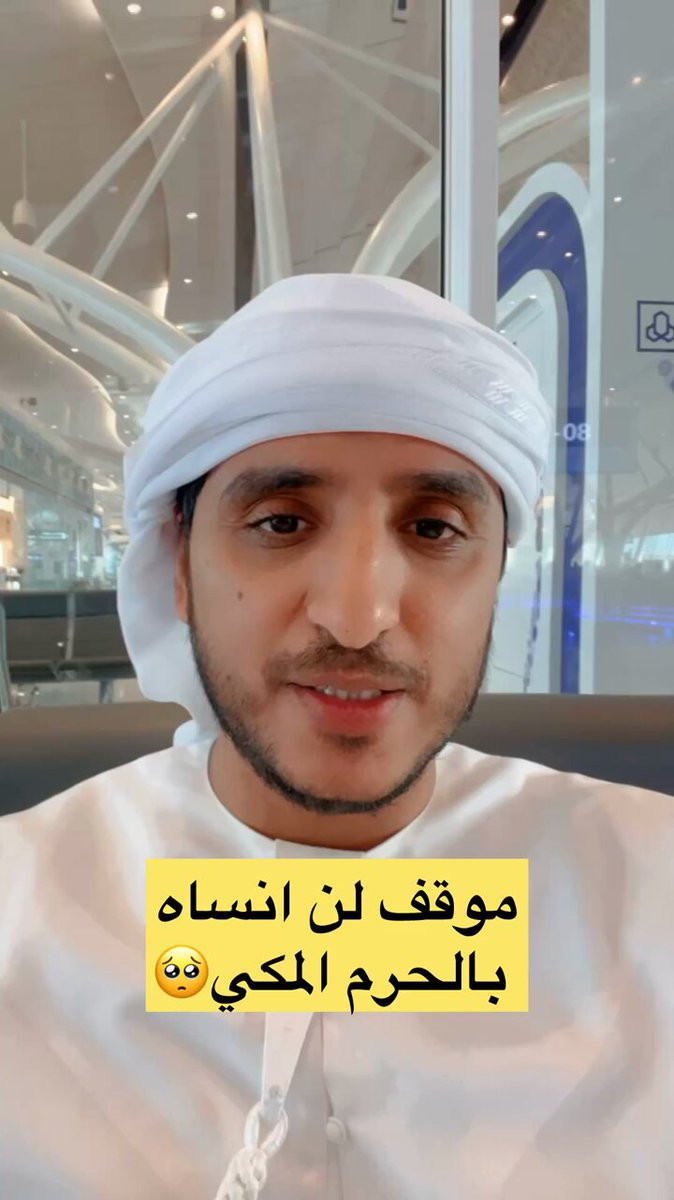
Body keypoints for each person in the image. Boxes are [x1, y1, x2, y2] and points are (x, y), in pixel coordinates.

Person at [1, 273, 672, 1200]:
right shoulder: (20, 913)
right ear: (179, 566)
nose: (358, 617)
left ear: (496, 575)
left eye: (434, 528)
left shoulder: (652, 891)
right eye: (281, 522)